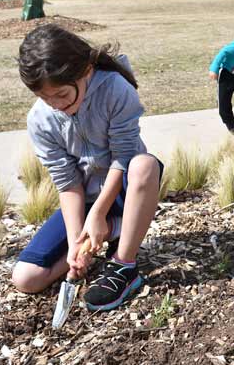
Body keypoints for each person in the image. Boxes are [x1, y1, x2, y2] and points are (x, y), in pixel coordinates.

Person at [12, 24, 164, 311]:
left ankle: (124, 266)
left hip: (125, 190)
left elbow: (124, 156)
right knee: (26, 278)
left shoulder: (115, 88)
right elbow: (68, 185)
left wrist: (97, 213)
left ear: (85, 71)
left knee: (144, 165)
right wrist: (75, 245)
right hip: (85, 198)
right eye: (45, 98)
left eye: (62, 95)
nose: (55, 105)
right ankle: (109, 230)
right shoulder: (40, 121)